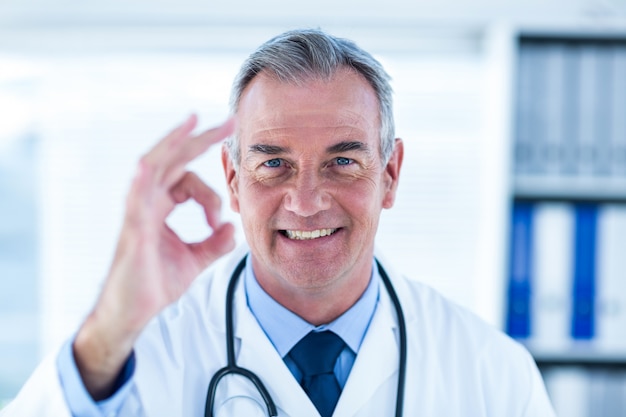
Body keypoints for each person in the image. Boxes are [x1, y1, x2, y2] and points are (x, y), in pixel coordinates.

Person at [2, 28, 555, 417]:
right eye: (273, 164)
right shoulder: (134, 357)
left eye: (343, 161)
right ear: (233, 179)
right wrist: (111, 330)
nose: (307, 201)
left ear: (389, 173)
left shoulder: (491, 373)